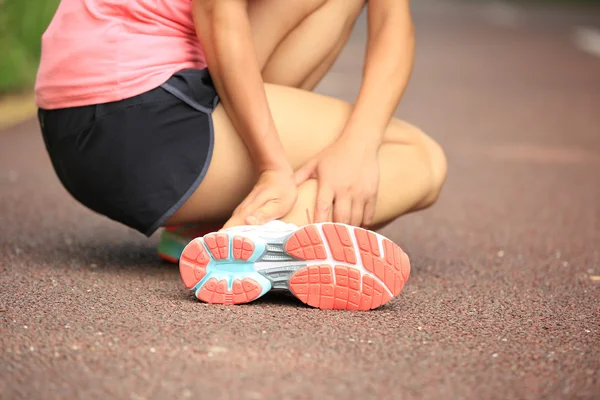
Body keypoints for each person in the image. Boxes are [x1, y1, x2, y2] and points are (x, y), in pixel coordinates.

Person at [35, 0, 447, 310]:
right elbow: (219, 14)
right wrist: (273, 167)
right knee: (418, 159)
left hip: (83, 123)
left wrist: (355, 147)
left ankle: (206, 224)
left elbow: (394, 25)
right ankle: (269, 229)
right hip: (140, 114)